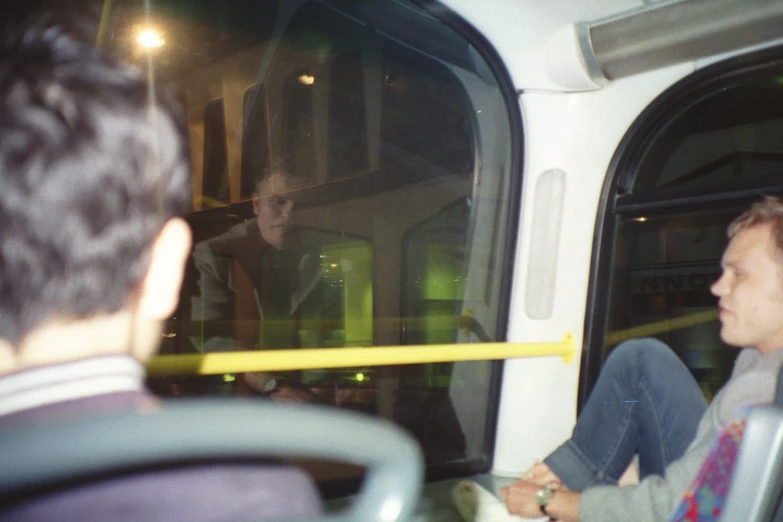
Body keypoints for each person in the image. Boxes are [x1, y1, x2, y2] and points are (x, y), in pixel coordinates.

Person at [0, 13, 320, 520]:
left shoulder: (304, 261)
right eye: (278, 202)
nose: (288, 213)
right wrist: (278, 388)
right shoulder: (258, 499)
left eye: (295, 203)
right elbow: (213, 337)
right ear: (165, 266)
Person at [500, 196, 783, 521]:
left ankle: (540, 494)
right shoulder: (759, 357)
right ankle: (560, 479)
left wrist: (548, 500)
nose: (718, 287)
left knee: (637, 362)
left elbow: (675, 510)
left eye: (739, 274)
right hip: (706, 487)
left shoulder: (765, 388)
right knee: (643, 363)